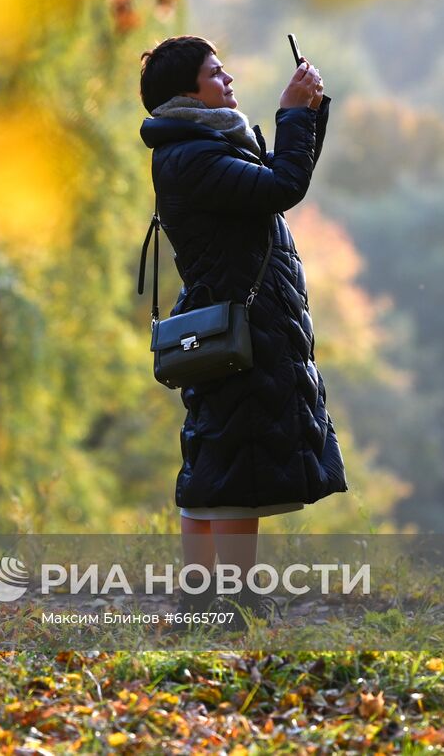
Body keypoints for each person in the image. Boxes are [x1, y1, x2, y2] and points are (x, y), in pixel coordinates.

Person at [138, 35, 349, 621]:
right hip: (240, 329)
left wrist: (307, 114)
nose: (228, 80)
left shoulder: (204, 144)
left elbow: (278, 185)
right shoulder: (194, 157)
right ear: (187, 91)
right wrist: (292, 115)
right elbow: (283, 187)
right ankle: (230, 600)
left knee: (218, 460)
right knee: (235, 464)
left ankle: (207, 599)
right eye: (216, 72)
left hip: (240, 322)